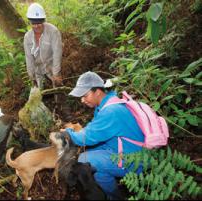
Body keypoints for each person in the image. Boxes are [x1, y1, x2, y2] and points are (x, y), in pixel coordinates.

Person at [62, 71, 145, 200]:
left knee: (84, 160)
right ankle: (108, 187)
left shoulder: (111, 111)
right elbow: (94, 128)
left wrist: (67, 134)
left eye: (85, 95)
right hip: (125, 149)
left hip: (135, 160)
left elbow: (86, 137)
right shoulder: (109, 103)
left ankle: (114, 197)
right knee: (90, 156)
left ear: (98, 91)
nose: (82, 100)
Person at [24, 3, 63, 90]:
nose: (37, 26)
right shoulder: (27, 37)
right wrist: (32, 77)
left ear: (43, 20)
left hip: (52, 65)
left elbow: (57, 53)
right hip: (38, 68)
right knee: (38, 91)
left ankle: (58, 102)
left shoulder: (53, 31)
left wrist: (56, 73)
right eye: (34, 23)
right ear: (30, 22)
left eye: (39, 23)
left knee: (58, 87)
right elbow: (29, 58)